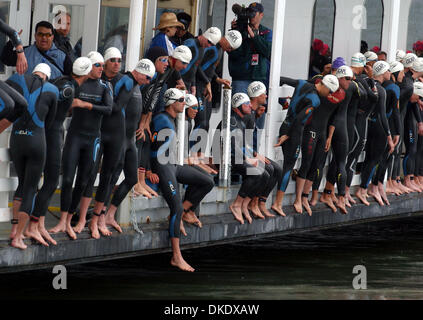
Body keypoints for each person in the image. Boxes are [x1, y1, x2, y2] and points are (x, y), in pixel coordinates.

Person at [49, 54, 112, 239]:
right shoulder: (78, 84)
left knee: (83, 182)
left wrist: (85, 105)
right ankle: (62, 220)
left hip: (93, 138)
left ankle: (69, 221)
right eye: (98, 65)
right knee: (67, 179)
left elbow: (109, 109)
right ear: (89, 67)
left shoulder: (104, 86)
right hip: (75, 136)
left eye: (102, 65)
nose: (102, 68)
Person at [151, 88, 214, 272]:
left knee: (207, 181)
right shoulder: (161, 120)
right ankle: (176, 256)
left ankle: (184, 212)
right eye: (181, 100)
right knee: (175, 206)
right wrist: (146, 171)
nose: (184, 103)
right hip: (162, 167)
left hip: (174, 165)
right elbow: (147, 145)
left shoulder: (176, 120)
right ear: (171, 103)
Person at [30, 57, 90, 245]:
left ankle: (37, 224)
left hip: (45, 131)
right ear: (86, 73)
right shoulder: (69, 88)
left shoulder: (61, 81)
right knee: (50, 182)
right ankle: (35, 226)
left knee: (42, 182)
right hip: (52, 134)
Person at [1, 64, 58, 249]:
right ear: (47, 77)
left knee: (20, 183)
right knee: (30, 188)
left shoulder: (17, 80)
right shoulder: (52, 90)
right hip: (36, 140)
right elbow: (50, 123)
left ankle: (13, 230)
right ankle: (18, 237)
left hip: (17, 139)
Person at [272, 75, 338, 216]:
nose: (329, 95)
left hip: (285, 125)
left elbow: (282, 79)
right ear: (325, 86)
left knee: (287, 166)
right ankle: (277, 204)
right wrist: (288, 135)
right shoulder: (315, 100)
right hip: (294, 133)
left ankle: (276, 202)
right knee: (288, 167)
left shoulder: (301, 83)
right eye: (330, 91)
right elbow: (300, 120)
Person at [101, 59, 155, 234]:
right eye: (147, 78)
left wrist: (141, 124)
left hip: (130, 139)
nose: (148, 82)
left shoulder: (137, 85)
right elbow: (116, 108)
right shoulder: (127, 81)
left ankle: (110, 213)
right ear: (139, 71)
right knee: (110, 177)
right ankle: (99, 216)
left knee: (132, 178)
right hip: (120, 138)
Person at [135, 45, 191, 197]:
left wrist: (146, 121)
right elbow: (144, 99)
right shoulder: (152, 75)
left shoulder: (165, 72)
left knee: (145, 139)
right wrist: (142, 122)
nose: (185, 67)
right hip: (134, 116)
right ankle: (138, 180)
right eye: (163, 60)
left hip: (143, 115)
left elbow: (152, 99)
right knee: (142, 139)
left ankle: (140, 181)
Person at [355, 61, 395, 206]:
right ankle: (363, 189)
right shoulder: (382, 91)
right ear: (383, 72)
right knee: (374, 160)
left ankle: (363, 189)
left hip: (367, 125)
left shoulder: (369, 85)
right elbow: (383, 116)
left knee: (367, 159)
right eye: (388, 70)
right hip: (379, 129)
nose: (390, 73)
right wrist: (389, 137)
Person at [228, 93, 269, 224]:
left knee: (265, 174)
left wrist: (254, 155)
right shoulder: (232, 121)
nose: (251, 105)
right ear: (238, 107)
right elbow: (233, 145)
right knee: (256, 173)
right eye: (247, 104)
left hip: (236, 157)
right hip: (225, 159)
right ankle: (236, 204)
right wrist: (247, 159)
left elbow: (244, 144)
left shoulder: (242, 120)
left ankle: (245, 204)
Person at [246, 81, 282, 218]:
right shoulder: (249, 115)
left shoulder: (253, 113)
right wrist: (256, 155)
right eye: (263, 94)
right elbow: (244, 142)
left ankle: (261, 202)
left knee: (278, 169)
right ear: (256, 96)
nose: (266, 96)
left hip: (250, 152)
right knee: (269, 169)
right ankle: (253, 202)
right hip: (244, 155)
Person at [1, 21, 72, 79]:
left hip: (53, 95)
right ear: (35, 36)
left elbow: (71, 78)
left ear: (52, 37)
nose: (44, 38)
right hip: (29, 95)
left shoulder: (63, 56)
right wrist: (13, 41)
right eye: (40, 34)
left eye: (47, 35)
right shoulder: (24, 52)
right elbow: (5, 59)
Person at [228, 2, 272, 94]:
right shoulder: (239, 30)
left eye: (253, 13)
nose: (251, 16)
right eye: (249, 13)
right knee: (240, 107)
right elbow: (233, 53)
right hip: (241, 77)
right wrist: (235, 33)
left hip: (258, 77)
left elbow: (268, 51)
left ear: (261, 15)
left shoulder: (266, 32)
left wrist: (254, 36)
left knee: (257, 108)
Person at [180, 27, 221, 96]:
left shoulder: (201, 50)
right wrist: (179, 81)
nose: (209, 45)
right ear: (205, 35)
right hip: (178, 83)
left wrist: (193, 86)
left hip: (187, 85)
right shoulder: (190, 44)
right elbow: (176, 65)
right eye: (209, 42)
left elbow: (194, 68)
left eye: (212, 45)